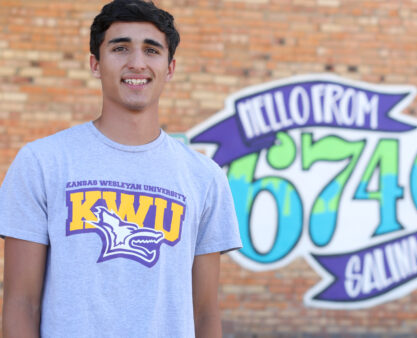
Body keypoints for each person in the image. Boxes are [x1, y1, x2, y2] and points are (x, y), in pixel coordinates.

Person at [0, 0, 241, 337]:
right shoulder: (42, 162)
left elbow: (204, 314)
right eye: (121, 48)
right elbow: (20, 303)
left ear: (170, 68)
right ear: (95, 64)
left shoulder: (204, 177)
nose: (137, 63)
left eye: (152, 50)